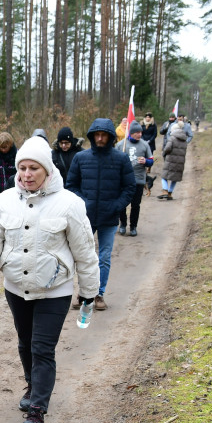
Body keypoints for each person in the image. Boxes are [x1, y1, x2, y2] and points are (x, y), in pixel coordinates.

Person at [0, 137, 98, 423]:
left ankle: (37, 411)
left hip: (55, 290)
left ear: (47, 170)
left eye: (34, 168)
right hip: (16, 287)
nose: (27, 174)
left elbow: (86, 253)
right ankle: (31, 385)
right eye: (22, 168)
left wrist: (89, 291)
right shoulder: (4, 201)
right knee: (25, 343)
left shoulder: (70, 204)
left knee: (42, 348)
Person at [64, 119, 136, 312]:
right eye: (97, 134)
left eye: (104, 135)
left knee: (103, 257)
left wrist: (117, 206)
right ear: (92, 136)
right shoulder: (81, 158)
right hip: (84, 218)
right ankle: (83, 292)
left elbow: (129, 187)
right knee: (83, 256)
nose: (100, 138)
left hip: (109, 218)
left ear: (110, 136)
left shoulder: (121, 159)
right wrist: (83, 204)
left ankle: (98, 294)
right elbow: (71, 185)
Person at [119, 121, 153, 237]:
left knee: (136, 204)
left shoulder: (144, 145)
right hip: (123, 180)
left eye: (141, 132)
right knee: (122, 204)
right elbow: (113, 160)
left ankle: (133, 227)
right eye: (137, 132)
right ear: (132, 133)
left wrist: (146, 161)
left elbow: (151, 160)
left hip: (138, 179)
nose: (140, 134)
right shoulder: (121, 145)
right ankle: (123, 224)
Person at [159, 120, 188, 200]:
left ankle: (165, 190)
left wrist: (164, 153)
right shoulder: (184, 140)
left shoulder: (172, 138)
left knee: (164, 176)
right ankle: (170, 193)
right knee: (175, 178)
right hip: (180, 162)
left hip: (170, 160)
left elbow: (167, 148)